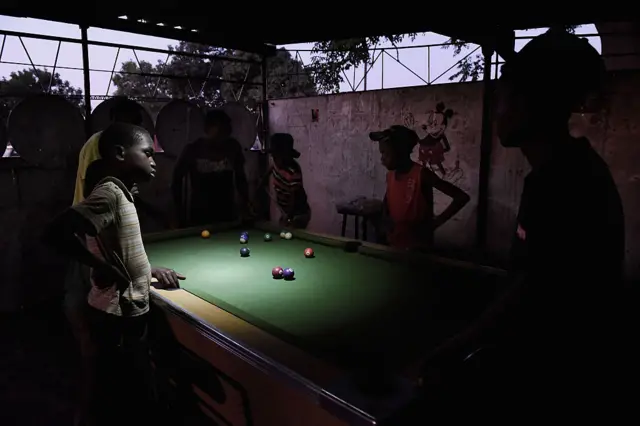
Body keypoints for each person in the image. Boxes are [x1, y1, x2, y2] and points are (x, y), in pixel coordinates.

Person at [421, 29, 630, 419]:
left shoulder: (566, 181)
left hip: (565, 383)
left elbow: (534, 292)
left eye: (509, 94)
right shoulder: (565, 171)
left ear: (537, 102)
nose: (498, 105)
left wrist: (455, 348)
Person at [44, 123, 185, 426]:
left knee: (128, 387)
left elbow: (121, 252)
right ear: (120, 154)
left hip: (128, 314)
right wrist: (101, 267)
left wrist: (148, 271)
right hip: (115, 317)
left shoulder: (123, 196)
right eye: (147, 153)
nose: (153, 160)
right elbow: (56, 231)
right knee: (119, 392)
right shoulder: (110, 194)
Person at [369, 125, 470, 250]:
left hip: (419, 251)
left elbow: (461, 197)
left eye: (385, 153)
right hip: (395, 247)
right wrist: (385, 221)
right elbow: (389, 199)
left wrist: (434, 224)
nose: (382, 158)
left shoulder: (422, 174)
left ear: (400, 151)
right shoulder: (390, 176)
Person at [171, 109, 249, 227]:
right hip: (200, 214)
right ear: (207, 129)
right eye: (221, 131)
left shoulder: (233, 147)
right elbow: (176, 181)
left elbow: (241, 179)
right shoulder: (193, 149)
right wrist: (179, 213)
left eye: (227, 132)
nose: (225, 136)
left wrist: (245, 205)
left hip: (228, 212)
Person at [256, 133, 311, 228]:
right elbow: (269, 172)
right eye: (274, 156)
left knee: (290, 232)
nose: (275, 159)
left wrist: (289, 217)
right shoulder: (276, 164)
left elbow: (294, 198)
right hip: (287, 212)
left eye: (278, 156)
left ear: (287, 155)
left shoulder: (293, 172)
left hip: (299, 213)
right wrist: (261, 184)